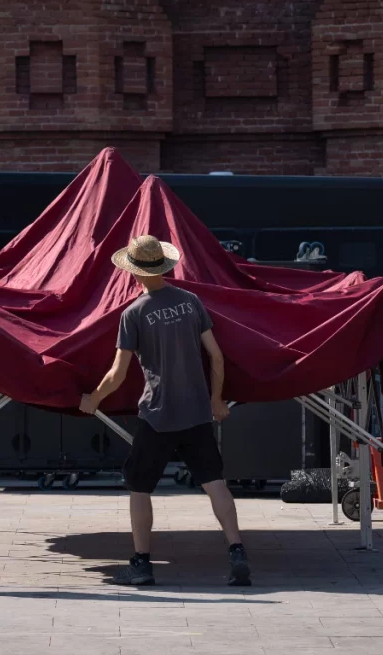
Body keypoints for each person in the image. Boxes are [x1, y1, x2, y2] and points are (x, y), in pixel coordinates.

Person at [79, 235, 251, 587]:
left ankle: (141, 564)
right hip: (197, 412)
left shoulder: (133, 313)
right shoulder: (190, 301)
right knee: (215, 482)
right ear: (163, 266)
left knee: (140, 487)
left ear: (133, 272)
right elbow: (216, 356)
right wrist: (216, 400)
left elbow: (117, 373)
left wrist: (93, 398)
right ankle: (237, 553)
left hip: (157, 414)